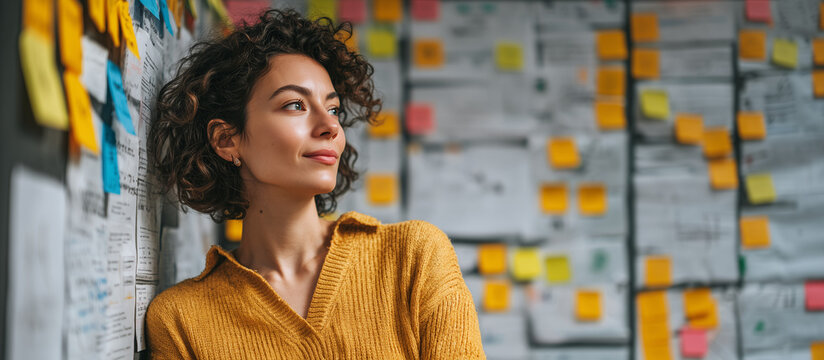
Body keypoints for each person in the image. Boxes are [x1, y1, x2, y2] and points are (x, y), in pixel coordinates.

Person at [145, 9, 484, 359]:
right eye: (295, 105)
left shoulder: (414, 257)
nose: (330, 127)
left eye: (334, 109)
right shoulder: (180, 320)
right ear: (227, 139)